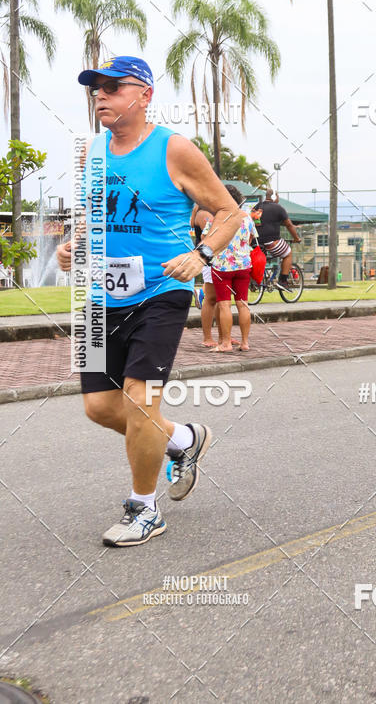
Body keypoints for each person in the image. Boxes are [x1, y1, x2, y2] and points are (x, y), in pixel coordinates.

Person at [56, 55, 243, 547]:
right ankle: (182, 439)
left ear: (144, 95)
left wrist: (201, 255)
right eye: (95, 88)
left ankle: (144, 508)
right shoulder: (91, 151)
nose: (101, 95)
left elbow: (229, 212)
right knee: (98, 407)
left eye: (113, 87)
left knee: (140, 400)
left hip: (161, 289)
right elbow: (97, 214)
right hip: (98, 294)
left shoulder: (174, 149)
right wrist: (76, 245)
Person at [204, 184, 257, 353]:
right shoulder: (247, 217)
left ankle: (226, 343)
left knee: (224, 304)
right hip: (243, 265)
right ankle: (245, 342)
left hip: (222, 266)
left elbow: (206, 240)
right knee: (243, 304)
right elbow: (249, 240)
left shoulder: (217, 218)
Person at [255, 187, 300, 287]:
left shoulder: (258, 206)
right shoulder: (279, 208)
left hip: (257, 242)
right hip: (271, 242)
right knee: (288, 254)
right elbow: (289, 225)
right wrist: (296, 238)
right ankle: (283, 281)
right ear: (276, 197)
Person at [191, 205, 219, 348]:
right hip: (210, 258)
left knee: (220, 299)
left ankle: (223, 336)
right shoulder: (204, 214)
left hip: (215, 258)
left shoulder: (203, 212)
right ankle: (207, 337)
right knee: (212, 299)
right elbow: (209, 235)